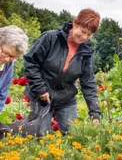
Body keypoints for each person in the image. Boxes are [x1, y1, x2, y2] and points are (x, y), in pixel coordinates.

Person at [24, 8, 101, 136]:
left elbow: (88, 83)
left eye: (89, 35)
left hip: (66, 99)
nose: (84, 37)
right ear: (75, 23)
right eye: (82, 31)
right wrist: (40, 88)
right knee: (41, 135)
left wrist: (95, 113)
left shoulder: (86, 53)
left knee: (73, 135)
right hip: (41, 96)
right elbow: (30, 62)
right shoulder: (51, 38)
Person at [0, 26, 28, 111]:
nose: (7, 59)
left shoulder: (8, 65)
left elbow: (2, 95)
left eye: (13, 57)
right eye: (5, 53)